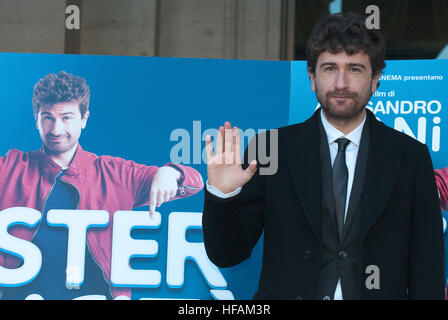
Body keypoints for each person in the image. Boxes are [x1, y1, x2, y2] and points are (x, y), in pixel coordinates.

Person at [202, 12, 445, 300]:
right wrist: (224, 195)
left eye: (355, 69)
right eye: (330, 68)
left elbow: (427, 272)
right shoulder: (269, 148)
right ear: (312, 78)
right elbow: (228, 254)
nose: (341, 83)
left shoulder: (410, 157)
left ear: (376, 79)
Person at [0, 71, 203, 300]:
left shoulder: (114, 174)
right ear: (36, 117)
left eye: (66, 117)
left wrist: (171, 172)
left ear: (84, 118)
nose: (56, 129)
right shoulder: (10, 168)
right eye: (48, 117)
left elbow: (194, 183)